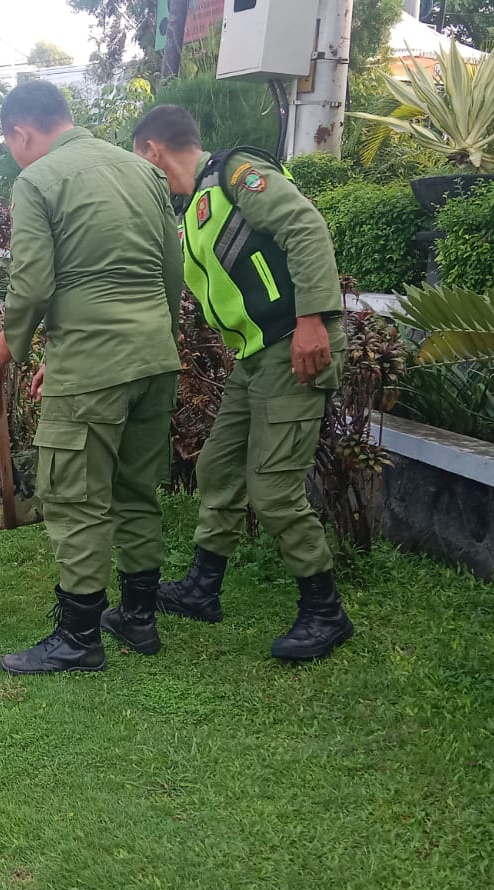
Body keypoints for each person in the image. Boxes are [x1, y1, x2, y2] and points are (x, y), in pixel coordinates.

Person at [132, 104, 353, 661]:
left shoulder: (235, 174)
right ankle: (204, 588)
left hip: (294, 346)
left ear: (152, 150)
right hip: (256, 356)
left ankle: (324, 611)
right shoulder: (194, 208)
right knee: (218, 466)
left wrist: (311, 319)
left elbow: (304, 225)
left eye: (141, 161)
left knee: (274, 488)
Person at [0, 81, 185, 675]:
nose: (15, 154)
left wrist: (9, 344)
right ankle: (139, 620)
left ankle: (78, 638)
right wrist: (151, 340)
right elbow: (170, 272)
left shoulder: (39, 179)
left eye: (11, 143)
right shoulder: (142, 171)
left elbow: (34, 285)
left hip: (94, 366)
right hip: (152, 358)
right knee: (136, 490)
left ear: (22, 132)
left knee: (76, 499)